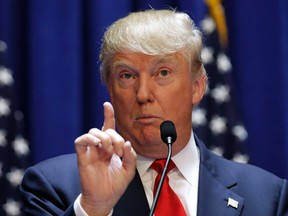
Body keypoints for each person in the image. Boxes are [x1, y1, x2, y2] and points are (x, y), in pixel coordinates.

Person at [20, 9, 288, 216]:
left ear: (196, 88)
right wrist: (94, 209)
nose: (143, 94)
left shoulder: (266, 196)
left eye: (163, 73)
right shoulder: (54, 187)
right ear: (110, 90)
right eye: (127, 76)